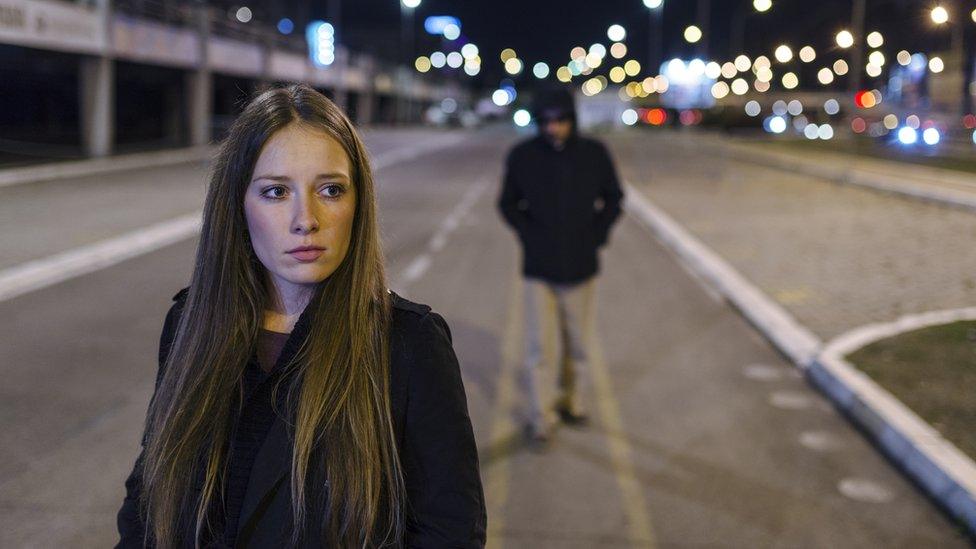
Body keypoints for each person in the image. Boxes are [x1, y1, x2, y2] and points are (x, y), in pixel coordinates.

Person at [116, 84, 486, 548]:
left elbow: (449, 532)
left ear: (359, 203)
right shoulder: (191, 324)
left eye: (330, 190)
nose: (305, 219)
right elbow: (148, 498)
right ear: (237, 207)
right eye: (275, 192)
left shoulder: (408, 344)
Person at [497, 86, 624, 446]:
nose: (555, 127)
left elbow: (614, 199)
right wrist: (528, 234)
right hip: (538, 267)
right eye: (548, 121)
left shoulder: (594, 154)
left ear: (572, 119)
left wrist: (596, 236)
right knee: (541, 347)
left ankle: (573, 401)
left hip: (582, 265)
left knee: (578, 344)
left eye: (561, 120)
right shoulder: (522, 156)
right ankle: (543, 417)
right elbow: (507, 203)